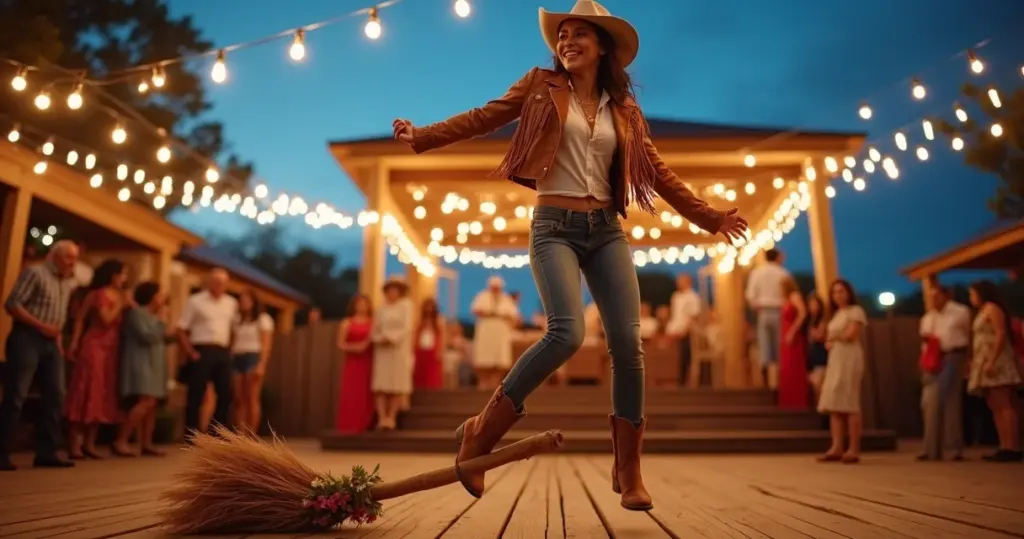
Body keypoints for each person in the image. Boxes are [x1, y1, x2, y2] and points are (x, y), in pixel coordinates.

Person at [391, 0, 748, 510]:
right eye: (562, 35)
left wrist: (710, 217)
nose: (567, 41)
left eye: (580, 33)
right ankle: (481, 432)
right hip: (553, 225)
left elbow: (657, 171)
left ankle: (627, 469)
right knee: (567, 333)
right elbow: (485, 116)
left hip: (606, 230)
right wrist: (422, 136)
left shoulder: (623, 109)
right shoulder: (540, 84)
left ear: (603, 46)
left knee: (628, 345)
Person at [0, 240, 79, 471]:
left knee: (55, 395)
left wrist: (57, 341)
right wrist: (41, 325)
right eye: (68, 257)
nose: (72, 262)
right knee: (17, 394)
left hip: (51, 343)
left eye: (74, 258)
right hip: (27, 338)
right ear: (55, 256)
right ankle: (1, 452)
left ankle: (47, 452)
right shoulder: (35, 272)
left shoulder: (67, 283)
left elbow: (60, 317)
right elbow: (12, 304)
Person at [64, 258, 129, 458]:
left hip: (110, 350)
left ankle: (90, 444)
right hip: (94, 347)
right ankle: (75, 444)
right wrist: (74, 343)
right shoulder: (98, 294)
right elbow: (104, 319)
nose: (125, 279)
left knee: (101, 393)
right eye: (123, 274)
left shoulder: (118, 295)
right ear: (113, 275)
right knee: (85, 390)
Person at [114, 281, 175, 456]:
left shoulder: (154, 316)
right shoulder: (136, 314)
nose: (162, 299)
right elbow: (148, 336)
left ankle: (146, 442)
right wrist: (163, 322)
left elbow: (162, 338)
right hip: (141, 363)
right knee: (145, 401)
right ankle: (121, 440)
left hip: (155, 364)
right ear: (151, 296)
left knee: (152, 404)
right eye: (160, 295)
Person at [177, 268, 239, 440]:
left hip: (222, 351)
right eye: (216, 281)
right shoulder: (195, 301)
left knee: (226, 392)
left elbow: (234, 329)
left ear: (227, 284)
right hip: (201, 349)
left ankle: (216, 432)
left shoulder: (231, 303)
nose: (219, 285)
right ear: (209, 282)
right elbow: (181, 329)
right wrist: (190, 352)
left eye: (222, 282)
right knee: (196, 392)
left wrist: (231, 350)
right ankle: (191, 434)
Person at [967, 280, 1022, 462]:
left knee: (1004, 403)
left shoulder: (992, 308)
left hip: (996, 361)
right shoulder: (981, 311)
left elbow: (1000, 334)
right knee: (995, 405)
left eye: (973, 294)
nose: (971, 298)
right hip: (984, 361)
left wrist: (992, 360)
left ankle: (1013, 446)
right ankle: (1003, 445)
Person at [917, 284, 970, 461]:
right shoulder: (927, 318)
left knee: (950, 401)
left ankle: (953, 447)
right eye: (930, 297)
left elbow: (969, 335)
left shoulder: (960, 312)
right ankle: (930, 448)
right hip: (932, 360)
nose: (932, 300)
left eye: (936, 296)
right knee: (928, 401)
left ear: (946, 296)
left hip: (953, 355)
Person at [817, 279, 867, 464]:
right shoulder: (836, 314)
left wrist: (833, 337)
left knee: (850, 401)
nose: (838, 295)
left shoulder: (856, 311)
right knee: (834, 402)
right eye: (835, 292)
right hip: (836, 357)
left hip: (850, 357)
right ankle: (836, 446)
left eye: (842, 291)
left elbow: (851, 334)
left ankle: (853, 448)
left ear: (849, 293)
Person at [370, 276, 414, 431]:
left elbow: (407, 327)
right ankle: (381, 417)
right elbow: (374, 329)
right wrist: (379, 339)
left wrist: (392, 338)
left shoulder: (406, 306)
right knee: (381, 384)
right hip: (382, 350)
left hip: (398, 349)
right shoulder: (381, 308)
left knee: (396, 384)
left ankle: (391, 417)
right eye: (390, 290)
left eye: (395, 290)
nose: (392, 293)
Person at [745, 248, 791, 388]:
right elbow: (789, 293)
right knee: (779, 344)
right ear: (777, 257)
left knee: (764, 345)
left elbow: (749, 295)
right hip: (780, 311)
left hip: (763, 311)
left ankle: (766, 383)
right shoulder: (783, 273)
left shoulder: (757, 272)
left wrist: (756, 305)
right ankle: (779, 382)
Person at [231, 289, 275, 432]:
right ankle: (240, 435)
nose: (243, 303)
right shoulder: (237, 320)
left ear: (254, 302)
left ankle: (251, 435)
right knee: (239, 399)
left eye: (246, 300)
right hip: (238, 357)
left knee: (252, 399)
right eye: (241, 300)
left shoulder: (263, 319)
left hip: (253, 357)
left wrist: (261, 365)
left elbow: (266, 345)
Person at [336, 294, 375, 434]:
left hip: (368, 362)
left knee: (365, 393)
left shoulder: (373, 322)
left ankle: (364, 425)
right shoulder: (347, 323)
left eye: (365, 303)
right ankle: (348, 426)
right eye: (359, 303)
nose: (362, 306)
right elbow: (340, 344)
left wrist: (365, 346)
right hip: (352, 362)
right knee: (350, 392)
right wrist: (356, 347)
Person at [470, 276, 518, 389]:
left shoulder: (506, 299)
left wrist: (503, 317)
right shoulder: (482, 296)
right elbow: (476, 310)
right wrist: (489, 313)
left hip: (500, 331)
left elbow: (513, 315)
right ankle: (483, 382)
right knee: (484, 356)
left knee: (500, 358)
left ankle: (496, 382)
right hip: (486, 330)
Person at [778, 277, 808, 409]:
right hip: (785, 334)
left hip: (793, 335)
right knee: (787, 367)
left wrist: (792, 331)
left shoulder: (794, 296)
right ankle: (788, 401)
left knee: (794, 365)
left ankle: (798, 401)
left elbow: (803, 313)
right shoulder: (785, 299)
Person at [413, 298, 445, 389]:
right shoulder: (420, 322)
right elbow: (415, 336)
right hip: (421, 351)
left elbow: (442, 337)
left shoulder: (439, 322)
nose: (429, 309)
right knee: (421, 374)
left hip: (433, 352)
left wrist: (440, 350)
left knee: (432, 376)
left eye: (431, 307)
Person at [805, 292, 829, 405]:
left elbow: (820, 335)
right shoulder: (810, 321)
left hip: (821, 357)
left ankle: (823, 414)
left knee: (819, 385)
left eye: (815, 304)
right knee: (814, 386)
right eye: (810, 305)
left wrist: (812, 332)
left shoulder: (823, 320)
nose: (812, 307)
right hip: (812, 359)